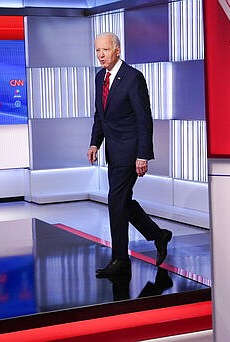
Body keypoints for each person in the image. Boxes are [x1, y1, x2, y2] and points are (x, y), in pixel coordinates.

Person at [87, 32, 172, 277]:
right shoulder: (99, 77)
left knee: (115, 201)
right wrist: (95, 143)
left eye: (105, 50)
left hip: (130, 151)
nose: (100, 55)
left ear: (117, 50)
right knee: (122, 201)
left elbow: (144, 119)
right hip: (113, 151)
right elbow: (100, 116)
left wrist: (143, 155)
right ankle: (158, 235)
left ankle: (120, 259)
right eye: (97, 51)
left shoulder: (133, 78)